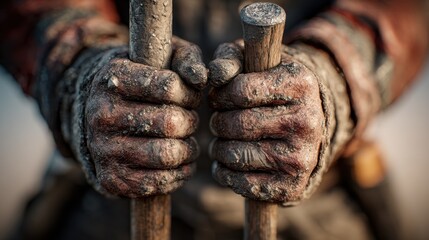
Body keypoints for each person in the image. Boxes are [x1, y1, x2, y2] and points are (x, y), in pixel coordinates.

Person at [1, 0, 428, 239]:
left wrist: (335, 75)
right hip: (112, 189)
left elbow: (405, 10)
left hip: (315, 200)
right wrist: (77, 66)